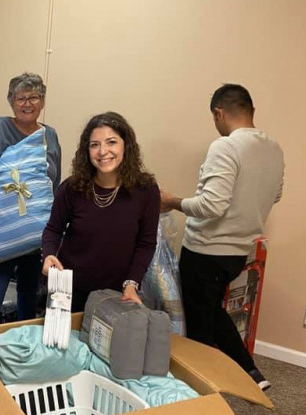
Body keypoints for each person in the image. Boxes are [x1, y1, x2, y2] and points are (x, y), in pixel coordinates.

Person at [160, 84, 284, 391]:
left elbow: (210, 206)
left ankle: (201, 392)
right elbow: (276, 195)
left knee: (200, 329)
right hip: (237, 252)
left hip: (205, 251)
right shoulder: (273, 147)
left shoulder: (226, 146)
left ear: (219, 112)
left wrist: (172, 201)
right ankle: (250, 371)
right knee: (212, 311)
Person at [0, 72, 61, 328]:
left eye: (33, 97)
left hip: (35, 230)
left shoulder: (49, 135)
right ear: (11, 101)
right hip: (2, 228)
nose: (27, 104)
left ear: (42, 101)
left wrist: (54, 228)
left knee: (30, 292)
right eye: (21, 98)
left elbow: (54, 182)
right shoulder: (0, 127)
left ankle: (23, 341)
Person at [42, 112, 160, 312]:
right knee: (61, 343)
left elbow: (146, 243)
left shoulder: (146, 190)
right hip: (68, 290)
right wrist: (49, 254)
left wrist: (132, 283)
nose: (102, 151)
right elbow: (53, 230)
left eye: (111, 142)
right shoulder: (72, 188)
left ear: (126, 145)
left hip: (117, 294)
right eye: (94, 145)